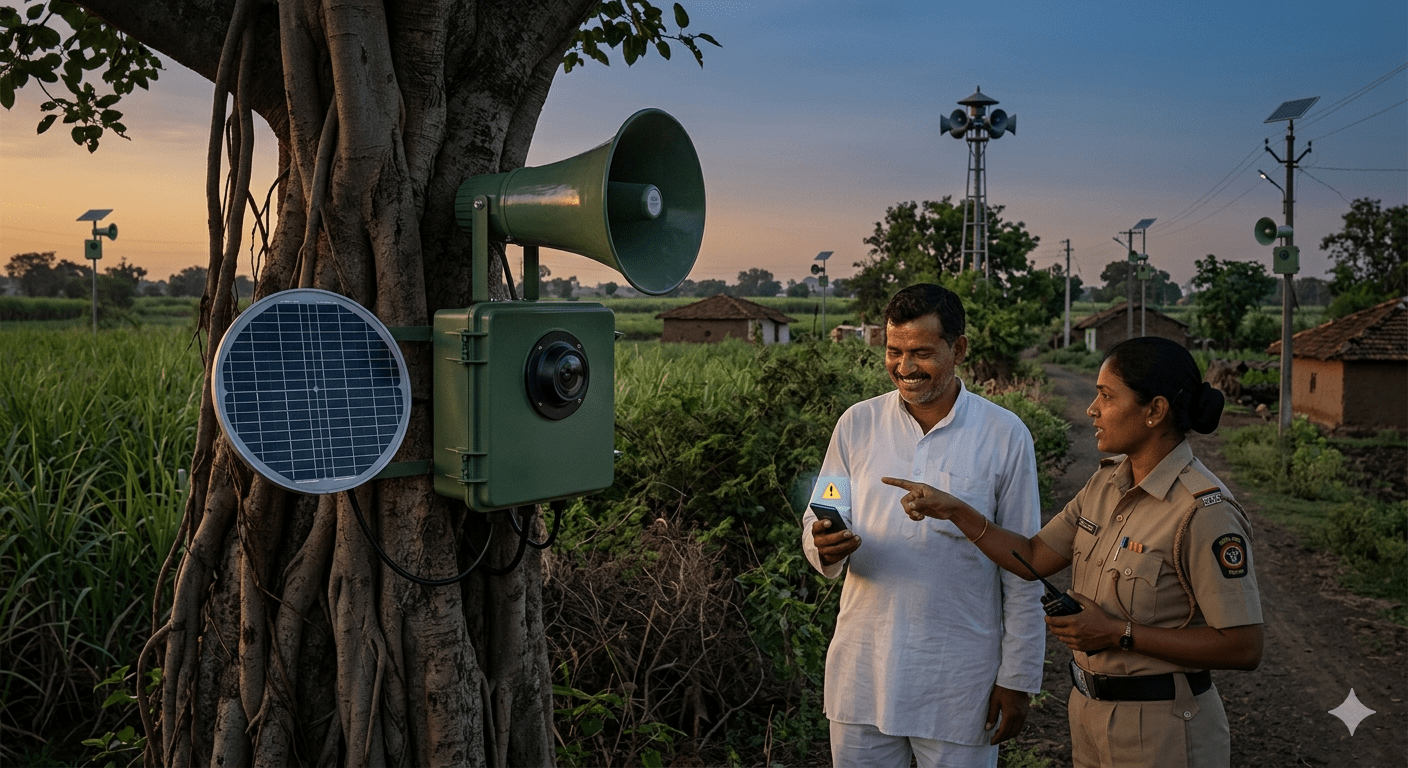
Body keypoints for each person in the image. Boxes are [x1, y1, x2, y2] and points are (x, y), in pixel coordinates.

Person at [884, 336, 1264, 768]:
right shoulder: (1104, 485)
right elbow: (1032, 556)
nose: (1092, 409)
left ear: (1155, 411)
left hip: (1166, 729)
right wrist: (955, 510)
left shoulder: (1203, 511)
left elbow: (1243, 647)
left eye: (1107, 396)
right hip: (1090, 717)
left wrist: (1117, 633)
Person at [801, 283, 1045, 768]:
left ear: (959, 349)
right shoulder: (856, 424)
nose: (905, 367)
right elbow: (822, 510)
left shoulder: (1004, 435)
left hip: (959, 683)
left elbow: (1024, 563)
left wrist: (1018, 677)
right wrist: (823, 543)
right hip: (863, 674)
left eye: (922, 353)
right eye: (894, 351)